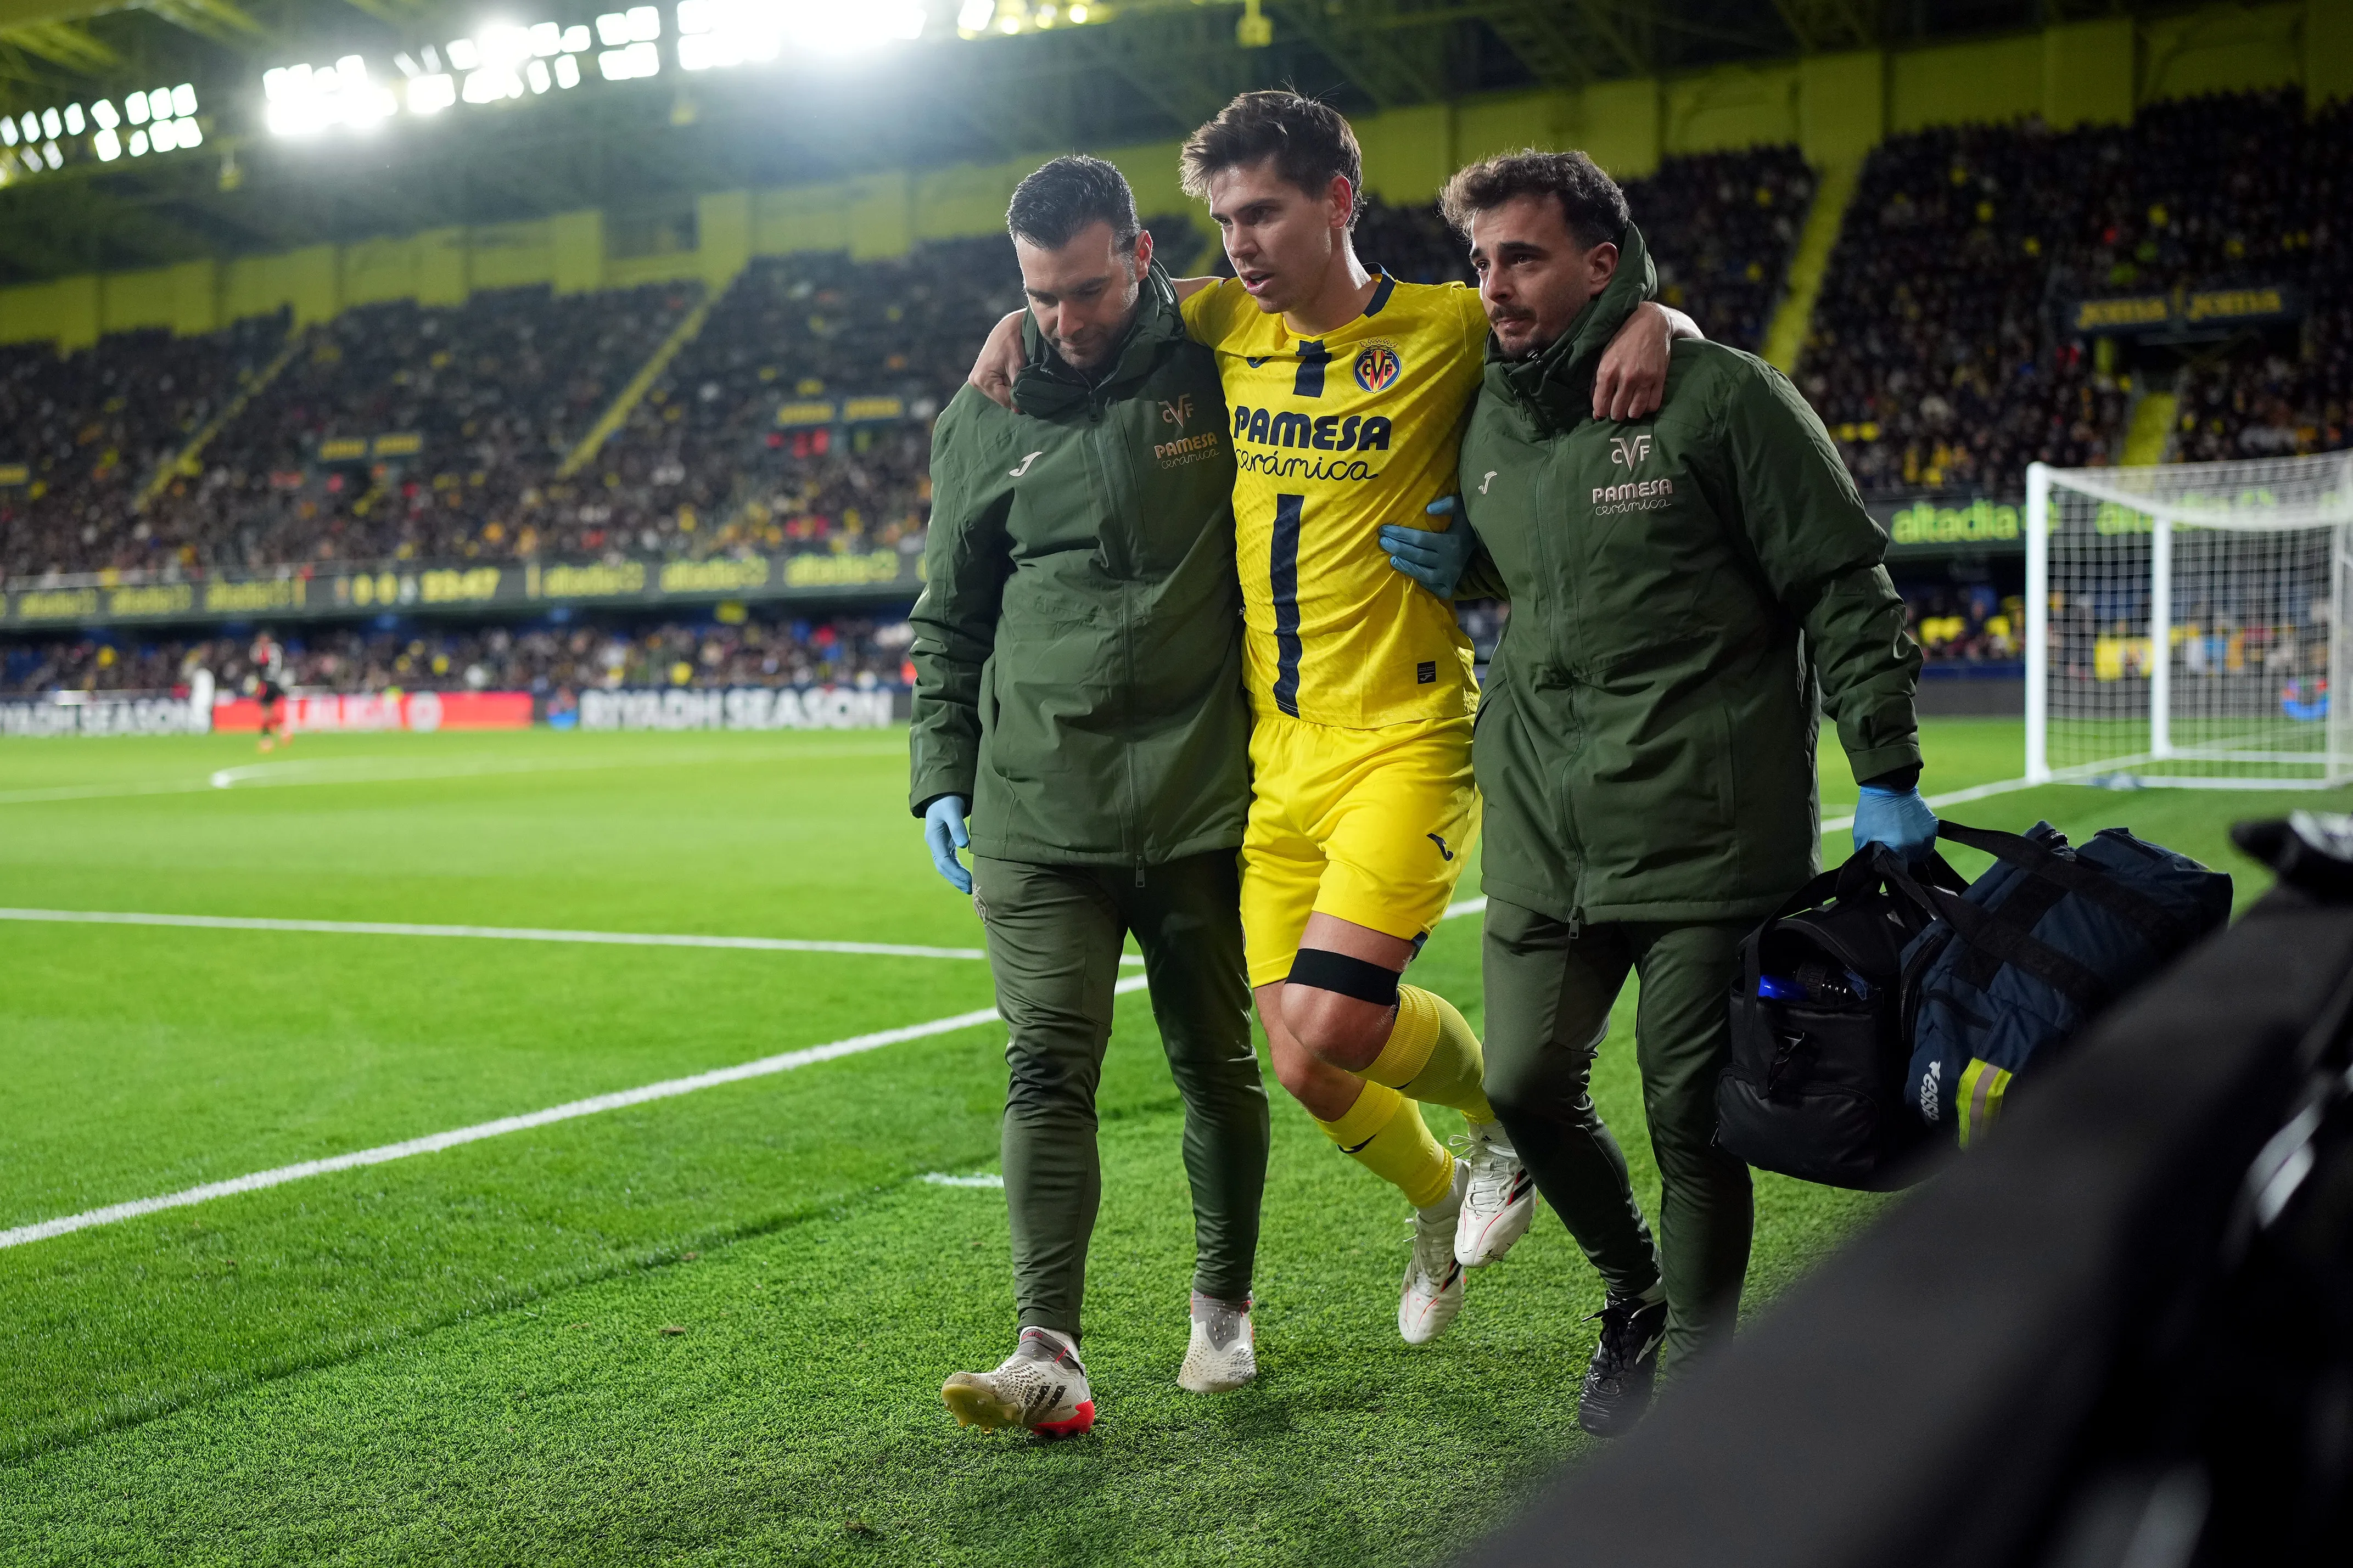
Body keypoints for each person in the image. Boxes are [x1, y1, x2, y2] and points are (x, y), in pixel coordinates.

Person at [971, 92, 1698, 1346]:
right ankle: (1437, 1195)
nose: (1238, 241)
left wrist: (1657, 316)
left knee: (1337, 1019)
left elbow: (1583, 306)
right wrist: (1005, 320)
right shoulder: (1215, 320)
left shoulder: (1442, 325)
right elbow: (1107, 288)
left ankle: (1500, 1132)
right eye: (1223, 218)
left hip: (1404, 735)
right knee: (1302, 1065)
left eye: (1262, 212)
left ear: (1338, 203)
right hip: (1277, 756)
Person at [1431, 149, 1935, 1436]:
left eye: (1523, 256)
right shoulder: (1483, 412)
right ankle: (1635, 1293)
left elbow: (1843, 583)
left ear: (1604, 267)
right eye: (1480, 261)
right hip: (1545, 830)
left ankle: (1706, 1380)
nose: (1493, 285)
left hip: (1711, 832)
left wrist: (1885, 770)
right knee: (1527, 1085)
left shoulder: (1721, 400)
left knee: (1689, 1113)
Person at [910, 156, 1269, 1440]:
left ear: (1141, 252)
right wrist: (938, 779)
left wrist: (1646, 312)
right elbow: (947, 619)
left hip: (1201, 797)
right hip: (1035, 803)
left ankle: (1221, 1307)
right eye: (1038, 295)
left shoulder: (1228, 357)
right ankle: (1045, 1348)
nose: (1064, 320)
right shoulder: (984, 412)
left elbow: (1403, 327)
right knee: (1044, 1064)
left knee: (1217, 1064)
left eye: (1087, 288)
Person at [251, 630, 288, 752]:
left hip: (268, 683)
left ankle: (267, 738)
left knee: (265, 711)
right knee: (269, 711)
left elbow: (262, 665)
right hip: (273, 682)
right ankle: (283, 730)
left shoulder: (268, 650)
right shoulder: (276, 649)